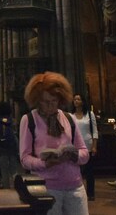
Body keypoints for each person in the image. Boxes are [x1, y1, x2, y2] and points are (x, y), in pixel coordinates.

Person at [19, 72, 89, 215]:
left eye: (54, 101)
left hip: (75, 187)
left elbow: (84, 152)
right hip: (47, 188)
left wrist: (74, 155)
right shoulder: (29, 120)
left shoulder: (69, 118)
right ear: (37, 100)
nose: (50, 105)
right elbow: (24, 158)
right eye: (45, 101)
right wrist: (45, 163)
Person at [71, 94, 98, 201]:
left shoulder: (90, 115)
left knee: (89, 171)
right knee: (77, 170)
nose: (76, 101)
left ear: (83, 101)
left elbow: (94, 131)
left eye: (78, 99)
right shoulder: (71, 115)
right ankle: (77, 192)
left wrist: (95, 145)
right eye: (74, 99)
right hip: (75, 145)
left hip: (88, 145)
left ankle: (90, 193)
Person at [0, 101, 21, 189]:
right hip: (13, 148)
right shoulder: (13, 121)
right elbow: (16, 134)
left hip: (1, 149)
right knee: (14, 170)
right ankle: (16, 187)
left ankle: (6, 188)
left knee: (4, 170)